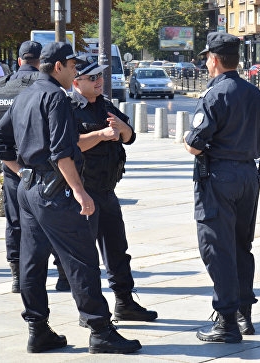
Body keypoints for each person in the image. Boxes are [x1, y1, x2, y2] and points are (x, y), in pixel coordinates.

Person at [0, 42, 141, 354]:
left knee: (32, 262)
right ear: (58, 66)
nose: (75, 70)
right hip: (54, 190)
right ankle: (100, 330)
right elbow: (62, 151)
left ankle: (38, 329)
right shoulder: (55, 97)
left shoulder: (25, 94)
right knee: (81, 261)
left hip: (28, 190)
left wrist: (23, 172)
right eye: (72, 65)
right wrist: (81, 191)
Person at [183, 32, 260, 343]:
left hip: (218, 178)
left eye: (207, 57)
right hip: (248, 177)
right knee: (240, 248)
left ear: (215, 59)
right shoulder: (256, 94)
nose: (206, 62)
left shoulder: (214, 94)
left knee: (216, 249)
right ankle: (243, 315)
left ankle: (226, 321)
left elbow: (196, 144)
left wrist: (185, 140)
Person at [70, 55, 158, 323]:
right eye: (93, 77)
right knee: (85, 257)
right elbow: (69, 146)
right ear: (76, 82)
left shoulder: (105, 104)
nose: (100, 81)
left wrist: (124, 129)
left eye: (100, 76)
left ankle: (124, 302)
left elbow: (130, 136)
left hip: (107, 191)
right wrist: (100, 135)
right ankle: (91, 313)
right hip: (84, 192)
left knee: (118, 251)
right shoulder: (68, 107)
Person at [0, 40, 69, 294]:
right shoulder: (47, 87)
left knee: (15, 221)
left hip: (16, 169)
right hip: (45, 169)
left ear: (20, 60)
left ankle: (17, 276)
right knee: (55, 221)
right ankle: (63, 275)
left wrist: (11, 164)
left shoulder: (1, 87)